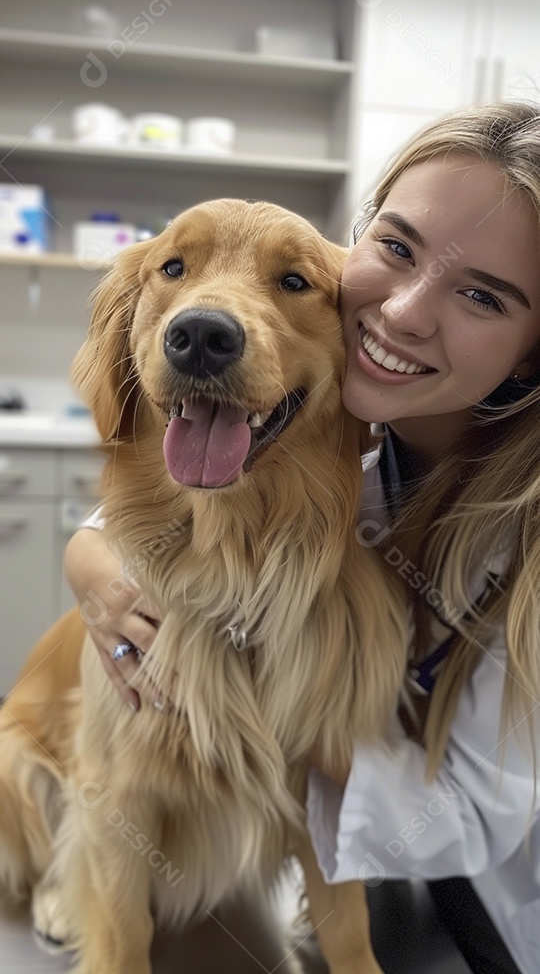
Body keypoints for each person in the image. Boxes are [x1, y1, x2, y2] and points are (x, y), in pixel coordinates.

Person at [65, 101, 540, 974]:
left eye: (482, 294)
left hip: (487, 916)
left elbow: (473, 820)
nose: (402, 312)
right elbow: (194, 491)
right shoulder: (345, 430)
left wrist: (295, 713)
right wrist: (89, 555)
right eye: (395, 248)